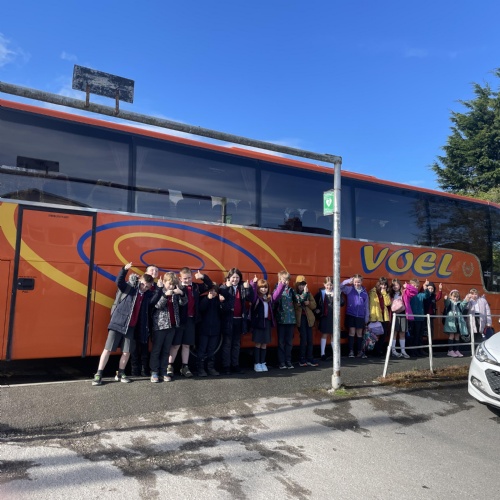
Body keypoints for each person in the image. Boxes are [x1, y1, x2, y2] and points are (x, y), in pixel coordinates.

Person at [92, 262, 155, 386]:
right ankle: (99, 374)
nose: (144, 287)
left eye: (147, 286)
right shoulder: (130, 288)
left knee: (126, 352)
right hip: (118, 322)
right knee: (108, 349)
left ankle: (120, 373)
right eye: (143, 284)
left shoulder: (147, 295)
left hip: (131, 326)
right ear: (140, 281)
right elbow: (119, 282)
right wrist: (124, 270)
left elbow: (155, 301)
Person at [167, 268, 213, 378]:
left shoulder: (196, 287)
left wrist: (203, 277)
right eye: (185, 278)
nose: (187, 280)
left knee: (186, 345)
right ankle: (169, 366)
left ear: (192, 277)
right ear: (180, 278)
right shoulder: (178, 287)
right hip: (180, 320)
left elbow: (209, 285)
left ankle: (185, 367)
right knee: (176, 345)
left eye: (189, 278)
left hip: (191, 320)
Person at [149, 273, 186, 383]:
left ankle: (163, 371)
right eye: (170, 284)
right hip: (160, 325)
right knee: (157, 350)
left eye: (173, 284)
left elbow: (184, 303)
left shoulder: (175, 293)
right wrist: (165, 296)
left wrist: (181, 293)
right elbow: (157, 305)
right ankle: (154, 371)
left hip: (172, 326)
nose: (171, 286)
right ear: (164, 282)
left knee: (166, 350)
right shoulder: (159, 291)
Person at [219, 268, 254, 374]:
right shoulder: (224, 286)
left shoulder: (242, 287)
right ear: (229, 277)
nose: (235, 279)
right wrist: (227, 287)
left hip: (239, 320)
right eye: (233, 277)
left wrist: (249, 288)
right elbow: (221, 296)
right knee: (227, 344)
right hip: (228, 320)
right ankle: (226, 366)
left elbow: (251, 299)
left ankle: (235, 365)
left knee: (236, 344)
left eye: (237, 277)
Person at [250, 276, 285, 372]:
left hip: (267, 322)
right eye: (261, 287)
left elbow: (277, 294)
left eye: (265, 287)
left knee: (264, 344)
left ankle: (262, 362)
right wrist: (253, 283)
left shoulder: (268, 298)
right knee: (258, 343)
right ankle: (257, 363)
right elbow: (252, 294)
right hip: (258, 323)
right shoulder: (256, 298)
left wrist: (281, 284)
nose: (264, 289)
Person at [130, 264, 159, 377]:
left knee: (144, 346)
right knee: (134, 346)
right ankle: (134, 369)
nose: (154, 272)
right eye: (152, 270)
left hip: (149, 320)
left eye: (156, 271)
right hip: (136, 319)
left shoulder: (157, 287)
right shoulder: (137, 285)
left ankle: (144, 369)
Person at [197, 283, 227, 377]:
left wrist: (222, 303)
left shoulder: (218, 301)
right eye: (211, 291)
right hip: (204, 329)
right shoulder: (203, 299)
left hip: (215, 329)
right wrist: (207, 299)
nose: (212, 293)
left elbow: (223, 312)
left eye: (214, 291)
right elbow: (201, 308)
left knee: (212, 350)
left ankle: (211, 368)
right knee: (202, 349)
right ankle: (200, 369)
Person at [274, 271, 298, 369]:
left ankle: (288, 361)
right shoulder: (277, 290)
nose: (286, 281)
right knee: (281, 342)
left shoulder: (291, 290)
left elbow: (298, 300)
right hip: (281, 320)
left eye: (287, 280)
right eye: (284, 279)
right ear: (279, 279)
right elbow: (274, 300)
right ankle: (281, 362)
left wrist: (305, 293)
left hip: (291, 320)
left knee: (289, 342)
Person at [341, 274, 369, 358]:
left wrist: (366, 317)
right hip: (351, 314)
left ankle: (359, 351)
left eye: (358, 282)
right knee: (352, 332)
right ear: (353, 282)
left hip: (360, 316)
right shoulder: (349, 289)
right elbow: (339, 286)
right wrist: (348, 281)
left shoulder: (364, 292)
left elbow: (366, 306)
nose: (357, 284)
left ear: (361, 282)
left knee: (359, 333)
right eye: (355, 282)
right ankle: (351, 351)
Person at [294, 275, 318, 367]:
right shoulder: (294, 293)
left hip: (309, 319)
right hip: (301, 319)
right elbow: (294, 305)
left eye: (303, 285)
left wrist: (308, 303)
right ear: (297, 285)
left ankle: (310, 357)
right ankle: (302, 358)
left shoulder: (308, 293)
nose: (301, 286)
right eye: (300, 285)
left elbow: (314, 305)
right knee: (303, 339)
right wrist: (299, 302)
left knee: (310, 339)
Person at [314, 277, 339, 361]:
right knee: (324, 334)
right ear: (324, 285)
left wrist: (337, 296)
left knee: (333, 335)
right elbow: (314, 302)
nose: (329, 287)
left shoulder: (336, 292)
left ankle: (335, 354)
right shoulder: (321, 293)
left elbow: (342, 303)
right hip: (324, 316)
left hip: (334, 317)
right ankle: (322, 353)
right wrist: (317, 309)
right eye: (327, 285)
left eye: (331, 285)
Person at [368, 277, 392, 356]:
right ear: (379, 284)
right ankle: (373, 350)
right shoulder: (373, 292)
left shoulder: (385, 292)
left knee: (384, 334)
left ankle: (378, 349)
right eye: (382, 284)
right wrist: (372, 317)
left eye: (385, 285)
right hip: (376, 316)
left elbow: (388, 303)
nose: (383, 286)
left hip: (384, 316)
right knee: (375, 335)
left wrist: (384, 293)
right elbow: (372, 305)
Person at [388, 278, 411, 359]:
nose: (395, 287)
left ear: (400, 285)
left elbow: (414, 292)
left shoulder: (404, 292)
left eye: (396, 285)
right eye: (393, 285)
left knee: (402, 333)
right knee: (394, 333)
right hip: (394, 315)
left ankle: (403, 351)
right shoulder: (390, 294)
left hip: (403, 314)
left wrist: (407, 286)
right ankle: (393, 351)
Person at [442, 290, 469, 357]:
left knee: (457, 336)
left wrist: (466, 299)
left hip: (458, 321)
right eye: (454, 296)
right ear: (451, 296)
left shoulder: (459, 303)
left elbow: (463, 305)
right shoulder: (450, 302)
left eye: (457, 297)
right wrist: (446, 299)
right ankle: (450, 351)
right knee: (451, 335)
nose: (455, 298)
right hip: (451, 321)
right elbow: (446, 303)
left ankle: (456, 350)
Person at [408, 279, 430, 357]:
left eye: (417, 286)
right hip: (412, 318)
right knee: (413, 335)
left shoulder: (420, 295)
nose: (415, 287)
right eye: (414, 286)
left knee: (420, 335)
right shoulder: (409, 294)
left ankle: (419, 350)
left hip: (421, 318)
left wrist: (425, 288)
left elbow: (427, 295)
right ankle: (412, 351)